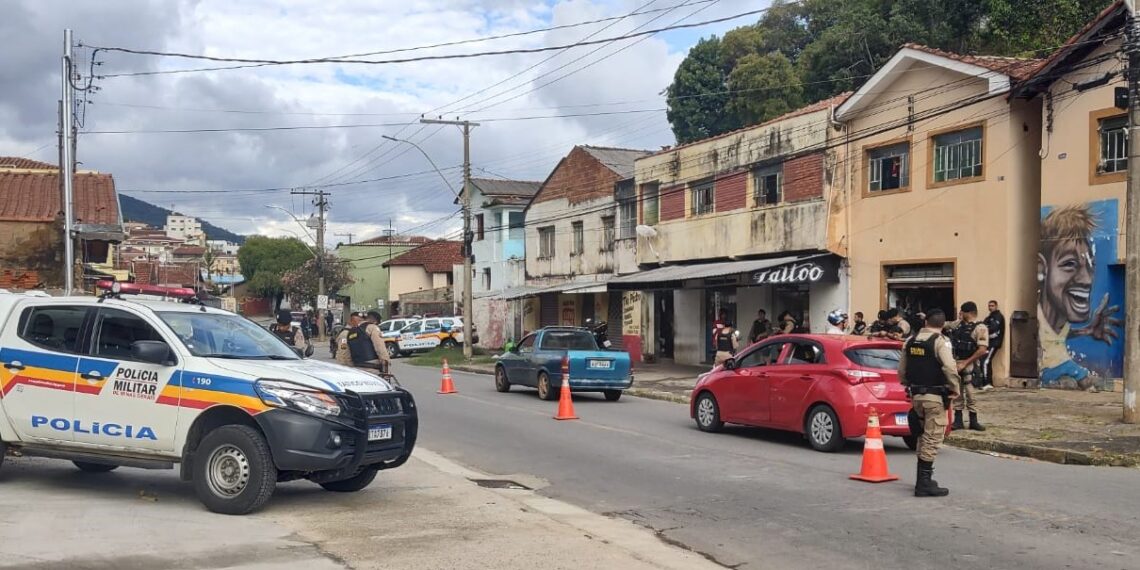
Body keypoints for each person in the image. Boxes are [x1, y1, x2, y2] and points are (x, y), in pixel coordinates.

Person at [899, 309, 960, 497]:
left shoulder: (910, 341)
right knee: (932, 437)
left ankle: (924, 479)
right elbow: (950, 367)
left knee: (922, 435)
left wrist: (907, 384)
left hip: (916, 395)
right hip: (934, 396)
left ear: (925, 322)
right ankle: (923, 483)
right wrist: (955, 388)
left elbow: (902, 370)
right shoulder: (940, 342)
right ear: (942, 325)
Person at [946, 302, 988, 431]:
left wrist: (966, 362)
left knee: (971, 393)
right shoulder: (958, 325)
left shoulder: (980, 328)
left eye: (962, 312)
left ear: (968, 313)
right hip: (956, 362)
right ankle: (958, 421)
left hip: (970, 364)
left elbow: (982, 349)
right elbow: (943, 324)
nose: (960, 314)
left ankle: (973, 421)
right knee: (957, 392)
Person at [336, 311, 392, 376]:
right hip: (372, 368)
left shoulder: (350, 332)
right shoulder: (372, 327)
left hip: (357, 369)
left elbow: (346, 354)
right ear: (375, 322)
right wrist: (386, 361)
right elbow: (380, 347)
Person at [980, 300, 1005, 391]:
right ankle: (988, 382)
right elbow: (982, 327)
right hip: (988, 343)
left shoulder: (998, 317)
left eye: (992, 305)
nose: (990, 307)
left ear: (996, 306)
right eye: (989, 305)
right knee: (986, 361)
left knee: (985, 361)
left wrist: (986, 329)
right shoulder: (989, 317)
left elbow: (993, 329)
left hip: (994, 343)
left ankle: (986, 383)